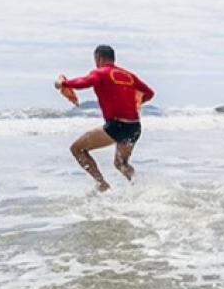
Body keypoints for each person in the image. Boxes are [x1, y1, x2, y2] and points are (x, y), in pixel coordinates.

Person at [55, 45, 155, 192]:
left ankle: (102, 184)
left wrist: (64, 83)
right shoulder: (128, 75)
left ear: (99, 58)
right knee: (121, 164)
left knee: (77, 149)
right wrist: (136, 103)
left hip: (116, 126)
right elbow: (149, 93)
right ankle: (140, 188)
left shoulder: (100, 73)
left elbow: (84, 82)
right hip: (134, 127)